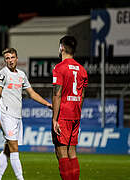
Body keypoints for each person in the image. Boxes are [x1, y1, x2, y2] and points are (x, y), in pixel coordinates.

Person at [0, 48, 52, 180]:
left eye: (12, 57)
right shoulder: (2, 75)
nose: (10, 61)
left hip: (17, 116)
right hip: (6, 115)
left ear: (17, 58)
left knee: (7, 149)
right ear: (5, 60)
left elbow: (32, 93)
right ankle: (21, 178)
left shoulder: (21, 75)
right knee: (14, 147)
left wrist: (47, 104)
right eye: (7, 58)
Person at [52, 36, 88, 180]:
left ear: (62, 48)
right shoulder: (82, 70)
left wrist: (55, 119)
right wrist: (76, 112)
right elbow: (82, 96)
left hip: (63, 114)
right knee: (72, 151)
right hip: (75, 114)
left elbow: (57, 94)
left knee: (61, 152)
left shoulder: (59, 68)